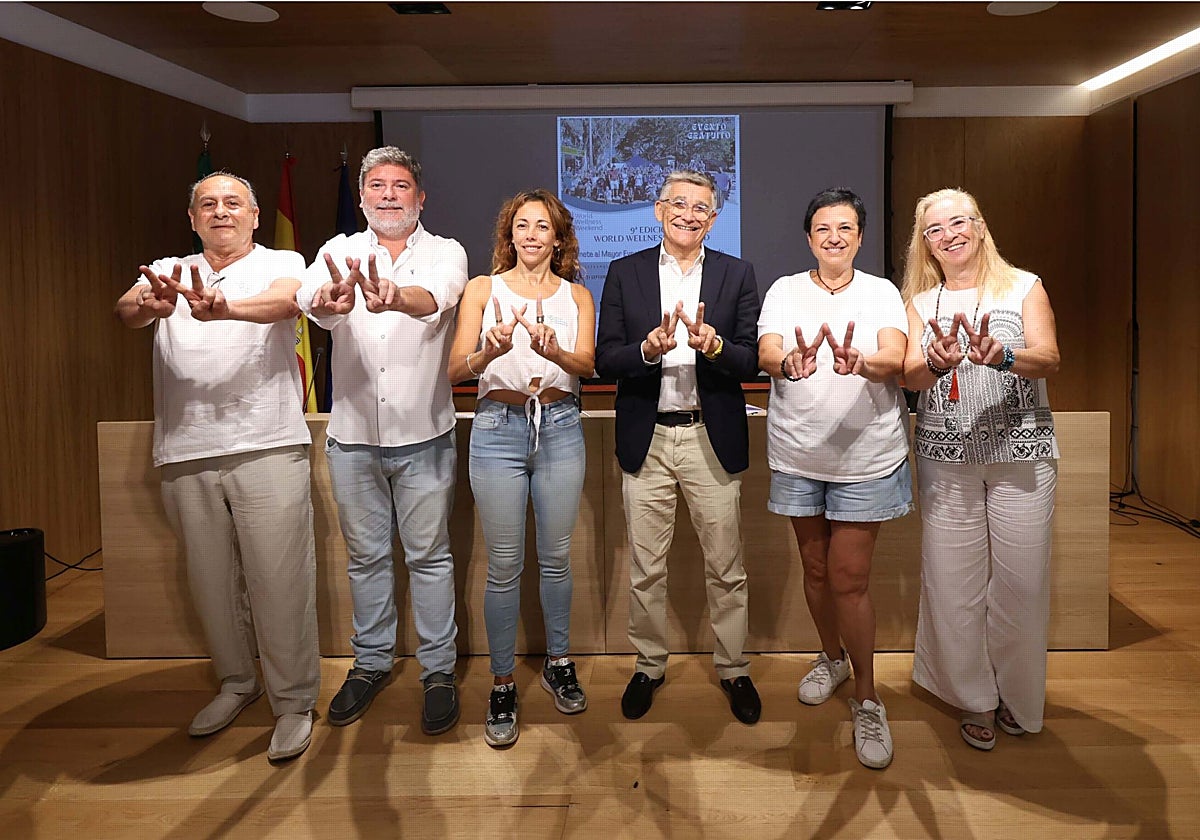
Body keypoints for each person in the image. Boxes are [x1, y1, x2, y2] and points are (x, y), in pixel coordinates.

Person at [115, 172, 319, 762]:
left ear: (256, 215)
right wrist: (144, 302)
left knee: (279, 582)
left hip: (267, 443)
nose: (221, 213)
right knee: (210, 583)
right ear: (192, 218)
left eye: (233, 204)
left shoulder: (283, 259)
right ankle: (236, 682)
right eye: (209, 205)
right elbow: (127, 310)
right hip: (186, 449)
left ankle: (293, 701)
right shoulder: (169, 267)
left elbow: (287, 301)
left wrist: (224, 308)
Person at [297, 147, 469, 735]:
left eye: (401, 186)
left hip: (424, 436)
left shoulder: (446, 252)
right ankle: (369, 664)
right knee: (367, 560)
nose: (389, 195)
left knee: (429, 558)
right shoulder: (336, 252)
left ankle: (438, 671)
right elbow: (312, 301)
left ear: (420, 198)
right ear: (364, 196)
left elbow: (438, 297)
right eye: (377, 186)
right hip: (352, 438)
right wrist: (326, 303)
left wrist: (397, 296)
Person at [596, 170, 763, 725]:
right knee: (646, 566)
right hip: (648, 435)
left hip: (709, 436)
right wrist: (647, 349)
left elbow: (749, 359)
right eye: (680, 204)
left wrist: (714, 345)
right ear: (658, 210)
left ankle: (734, 667)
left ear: (714, 219)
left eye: (702, 208)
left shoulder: (737, 274)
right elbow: (604, 359)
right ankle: (648, 665)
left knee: (726, 564)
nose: (690, 215)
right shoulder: (626, 272)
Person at [901, 188, 1060, 751]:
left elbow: (1049, 356)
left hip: (1022, 454)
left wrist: (1005, 356)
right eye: (935, 229)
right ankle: (974, 699)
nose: (949, 234)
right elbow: (910, 376)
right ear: (926, 244)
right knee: (953, 584)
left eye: (959, 222)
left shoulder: (1024, 286)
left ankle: (1018, 698)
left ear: (981, 226)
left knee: (1022, 584)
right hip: (946, 457)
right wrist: (932, 362)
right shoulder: (920, 302)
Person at [756, 188, 911, 769]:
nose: (834, 237)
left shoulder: (882, 293)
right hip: (798, 455)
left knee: (849, 579)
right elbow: (768, 348)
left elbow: (894, 358)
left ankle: (867, 698)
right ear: (809, 237)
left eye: (845, 227)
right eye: (823, 228)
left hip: (866, 459)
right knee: (815, 569)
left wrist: (860, 363)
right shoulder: (784, 289)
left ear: (860, 237)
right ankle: (832, 658)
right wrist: (786, 362)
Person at [447, 190, 596, 748]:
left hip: (559, 426)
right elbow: (455, 371)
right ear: (508, 235)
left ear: (559, 237)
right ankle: (503, 681)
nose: (532, 235)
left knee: (556, 559)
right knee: (504, 563)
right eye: (522, 225)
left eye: (543, 226)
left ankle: (559, 662)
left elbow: (588, 363)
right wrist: (490, 351)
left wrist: (555, 353)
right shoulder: (482, 290)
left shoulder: (577, 294)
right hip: (497, 429)